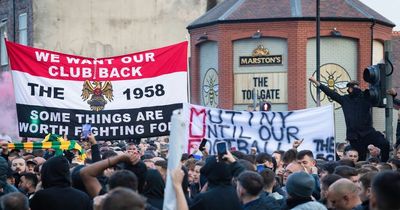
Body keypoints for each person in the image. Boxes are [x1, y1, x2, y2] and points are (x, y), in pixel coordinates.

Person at [309, 77, 390, 162]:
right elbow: (331, 93)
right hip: (354, 137)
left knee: (384, 144)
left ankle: (384, 164)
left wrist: (391, 94)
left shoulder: (365, 97)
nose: (351, 89)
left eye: (354, 87)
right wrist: (317, 83)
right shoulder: (345, 99)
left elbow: (378, 97)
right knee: (360, 158)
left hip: (368, 132)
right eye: (350, 87)